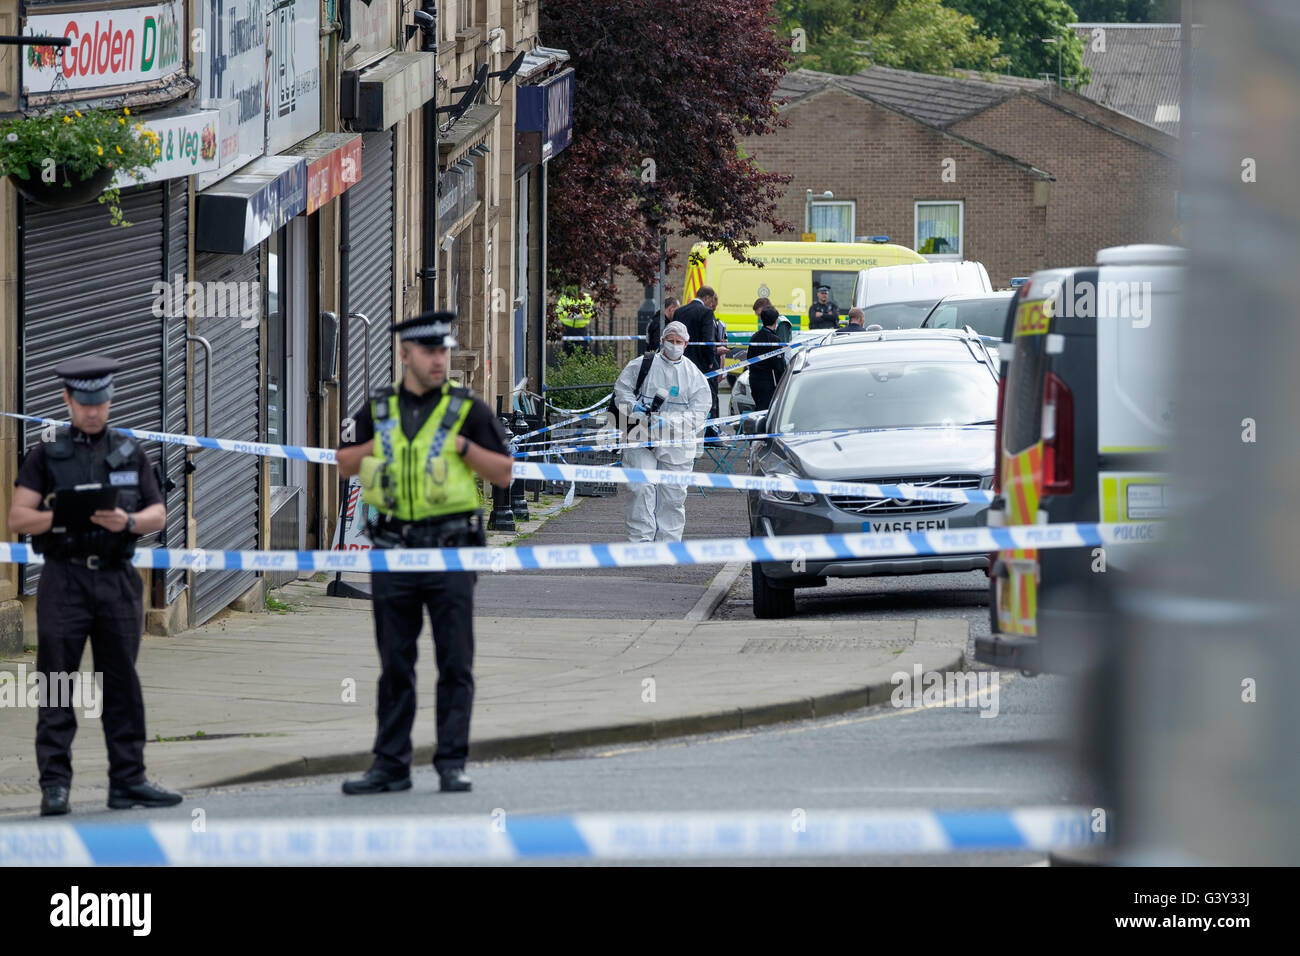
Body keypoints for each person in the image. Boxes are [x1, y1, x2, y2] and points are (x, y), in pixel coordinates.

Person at [336, 312, 515, 796]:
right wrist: (379, 445)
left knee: (455, 661)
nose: (440, 360)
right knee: (395, 663)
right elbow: (343, 462)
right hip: (393, 551)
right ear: (405, 355)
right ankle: (390, 766)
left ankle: (452, 762)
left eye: (444, 351)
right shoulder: (378, 408)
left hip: (451, 552)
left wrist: (463, 447)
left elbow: (504, 473)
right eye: (430, 352)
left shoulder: (467, 408)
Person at [8, 356, 181, 816]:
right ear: (68, 400)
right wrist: (62, 516)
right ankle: (55, 786)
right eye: (84, 403)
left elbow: (158, 513)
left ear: (109, 400)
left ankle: (129, 781)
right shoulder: (46, 454)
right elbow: (18, 516)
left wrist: (128, 520)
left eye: (100, 402)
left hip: (116, 579)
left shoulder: (129, 450)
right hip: (64, 578)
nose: (92, 410)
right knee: (56, 681)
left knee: (121, 682)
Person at [614, 321, 712, 542]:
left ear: (686, 344)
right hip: (641, 435)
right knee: (640, 488)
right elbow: (622, 389)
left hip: (677, 442)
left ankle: (668, 545)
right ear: (662, 341)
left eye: (678, 342)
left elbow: (699, 412)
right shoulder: (643, 365)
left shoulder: (693, 375)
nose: (674, 345)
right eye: (670, 340)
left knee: (673, 495)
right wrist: (633, 407)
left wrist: (668, 423)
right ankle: (640, 543)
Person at [674, 286, 722, 424]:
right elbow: (707, 340)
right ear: (706, 298)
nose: (711, 304)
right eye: (711, 301)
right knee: (707, 397)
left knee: (684, 398)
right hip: (702, 364)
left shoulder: (679, 312)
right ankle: (710, 430)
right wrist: (711, 360)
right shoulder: (706, 312)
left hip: (682, 362)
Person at [748, 307, 788, 411]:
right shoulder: (774, 340)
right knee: (767, 410)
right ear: (776, 320)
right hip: (768, 382)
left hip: (753, 380)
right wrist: (782, 384)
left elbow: (749, 359)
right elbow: (779, 366)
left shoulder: (754, 337)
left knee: (759, 408)